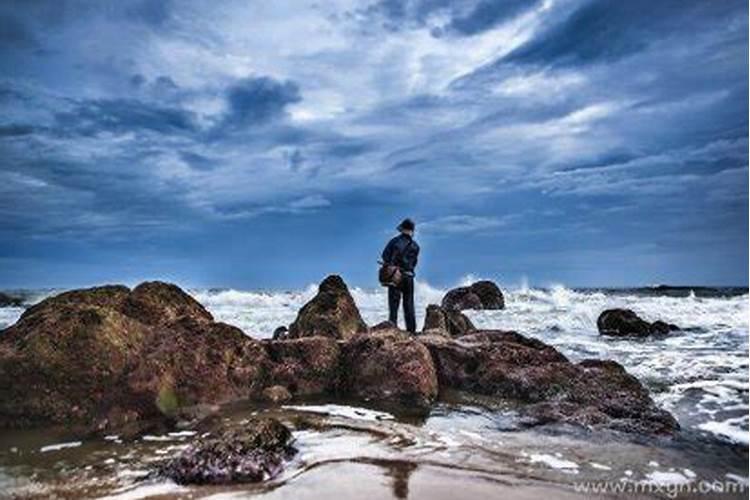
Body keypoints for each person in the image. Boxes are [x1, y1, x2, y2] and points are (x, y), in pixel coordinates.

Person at [381, 218, 420, 333]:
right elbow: (414, 263)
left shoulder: (394, 241)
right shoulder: (416, 246)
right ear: (412, 230)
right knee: (409, 304)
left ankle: (392, 330)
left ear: (402, 229)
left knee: (394, 304)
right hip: (409, 277)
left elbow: (385, 256)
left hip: (395, 275)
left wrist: (392, 263)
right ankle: (411, 331)